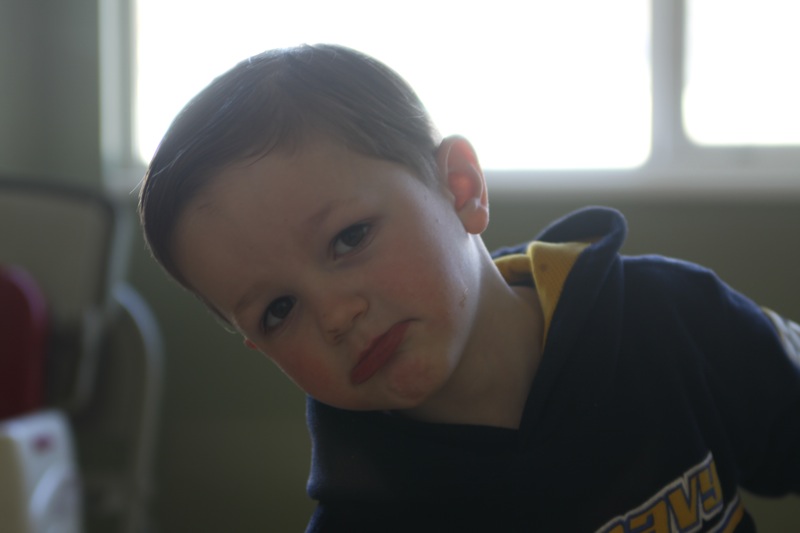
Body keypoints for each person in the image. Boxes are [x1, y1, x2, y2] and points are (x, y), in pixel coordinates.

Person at [138, 44, 800, 532]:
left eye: (350, 237)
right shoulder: (365, 517)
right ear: (258, 345)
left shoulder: (674, 319)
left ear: (461, 187)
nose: (336, 315)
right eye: (279, 309)